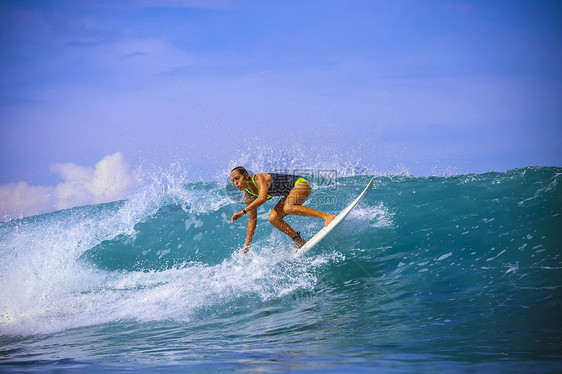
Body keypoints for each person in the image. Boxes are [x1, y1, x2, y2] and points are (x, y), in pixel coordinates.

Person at [230, 166, 336, 253]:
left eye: (237, 178)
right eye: (233, 181)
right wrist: (247, 245)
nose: (236, 183)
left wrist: (243, 211)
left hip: (300, 184)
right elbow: (252, 220)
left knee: (288, 207)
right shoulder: (248, 196)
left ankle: (326, 216)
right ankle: (298, 240)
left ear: (246, 175)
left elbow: (262, 198)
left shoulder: (258, 178)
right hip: (288, 193)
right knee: (273, 218)